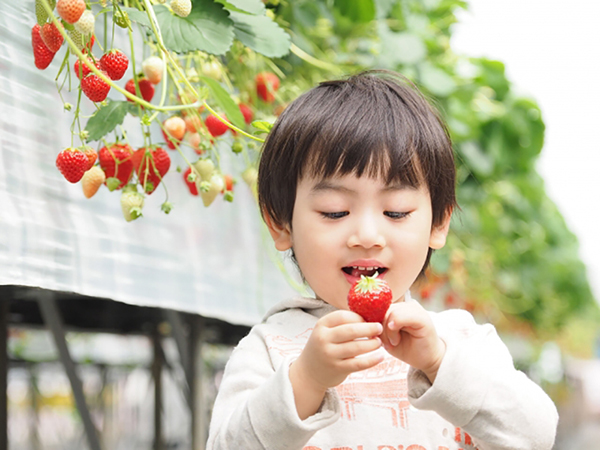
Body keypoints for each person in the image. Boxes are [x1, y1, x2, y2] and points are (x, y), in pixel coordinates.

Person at [206, 70, 558, 450]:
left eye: (396, 212)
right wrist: (307, 379)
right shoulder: (271, 347)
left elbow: (536, 434)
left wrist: (440, 364)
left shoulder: (463, 342)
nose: (368, 236)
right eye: (335, 212)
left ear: (438, 224)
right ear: (280, 224)